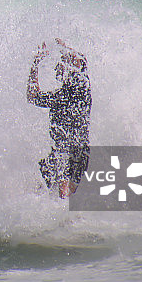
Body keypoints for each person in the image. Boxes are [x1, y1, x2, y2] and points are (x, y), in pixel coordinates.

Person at [27, 39, 91, 199]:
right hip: (59, 155)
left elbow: (81, 61)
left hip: (73, 154)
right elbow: (32, 97)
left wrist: (62, 48)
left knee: (63, 197)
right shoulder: (61, 96)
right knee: (40, 190)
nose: (57, 67)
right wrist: (35, 63)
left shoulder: (80, 89)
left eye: (61, 63)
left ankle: (69, 221)